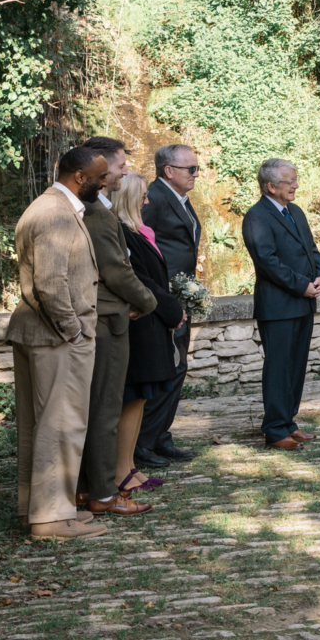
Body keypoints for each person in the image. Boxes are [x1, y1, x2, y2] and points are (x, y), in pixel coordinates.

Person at [7, 147, 110, 539]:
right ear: (80, 178)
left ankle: (42, 509)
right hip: (56, 336)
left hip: (43, 332)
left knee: (42, 425)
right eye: (99, 178)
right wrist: (75, 330)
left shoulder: (51, 207)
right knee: (61, 425)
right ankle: (50, 518)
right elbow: (50, 284)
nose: (104, 184)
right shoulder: (54, 212)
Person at [75, 138, 157, 517]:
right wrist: (146, 302)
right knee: (104, 410)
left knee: (103, 408)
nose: (125, 171)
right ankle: (102, 493)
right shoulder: (94, 212)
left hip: (113, 313)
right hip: (106, 319)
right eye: (121, 165)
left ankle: (94, 489)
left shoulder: (98, 208)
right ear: (101, 168)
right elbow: (115, 269)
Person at [243, 158, 320, 451]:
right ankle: (275, 429)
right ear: (270, 186)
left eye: (295, 179)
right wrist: (300, 285)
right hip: (278, 306)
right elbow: (267, 262)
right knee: (278, 368)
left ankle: (289, 422)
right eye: (289, 181)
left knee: (296, 366)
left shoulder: (296, 212)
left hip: (304, 303)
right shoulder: (257, 217)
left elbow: (312, 251)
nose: (296, 185)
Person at [111, 172, 186, 493]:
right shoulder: (124, 235)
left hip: (149, 322)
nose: (147, 200)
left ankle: (128, 468)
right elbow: (142, 281)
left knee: (139, 399)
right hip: (138, 325)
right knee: (132, 398)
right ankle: (121, 471)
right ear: (127, 199)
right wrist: (172, 310)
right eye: (141, 196)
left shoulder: (136, 233)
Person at [137, 143, 202, 467]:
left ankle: (161, 437)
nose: (195, 174)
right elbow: (138, 245)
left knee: (177, 369)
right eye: (191, 169)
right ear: (169, 171)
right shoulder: (155, 198)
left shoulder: (179, 198)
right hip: (163, 301)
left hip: (180, 298)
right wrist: (162, 297)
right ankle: (143, 444)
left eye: (196, 168)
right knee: (167, 369)